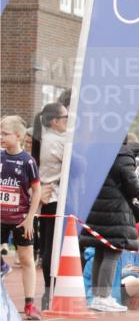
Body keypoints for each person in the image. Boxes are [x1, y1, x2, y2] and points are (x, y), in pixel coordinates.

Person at [79, 140, 139, 312]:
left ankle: (97, 296)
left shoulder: (95, 151)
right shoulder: (123, 156)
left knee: (100, 252)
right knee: (112, 252)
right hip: (116, 209)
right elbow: (134, 188)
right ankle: (104, 296)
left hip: (96, 206)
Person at [0, 116, 42, 319]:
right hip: (1, 217)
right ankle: (2, 265)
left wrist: (30, 218)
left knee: (26, 259)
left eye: (5, 133)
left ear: (17, 136)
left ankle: (29, 304)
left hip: (20, 218)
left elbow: (37, 190)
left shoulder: (28, 161)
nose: (1, 136)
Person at [36, 101, 68, 309]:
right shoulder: (55, 141)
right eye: (65, 118)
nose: (68, 122)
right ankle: (50, 291)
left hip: (51, 198)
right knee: (51, 246)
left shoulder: (50, 139)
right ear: (54, 121)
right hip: (53, 198)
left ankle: (51, 291)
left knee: (51, 245)